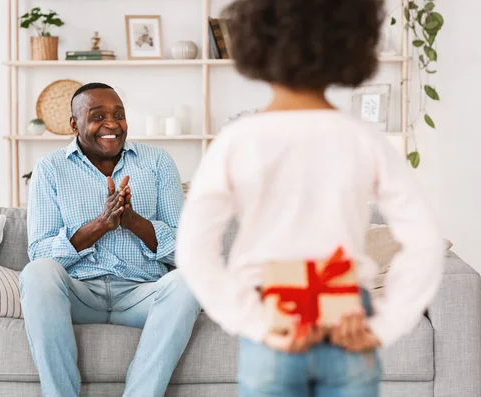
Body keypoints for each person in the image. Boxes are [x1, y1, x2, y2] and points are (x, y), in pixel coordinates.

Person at [175, 1, 444, 396]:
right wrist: (383, 325)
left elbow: (194, 251)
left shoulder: (237, 141)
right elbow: (426, 242)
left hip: (273, 319)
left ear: (254, 42)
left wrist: (254, 321)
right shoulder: (363, 139)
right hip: (348, 318)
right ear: (350, 42)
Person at [20, 82, 200, 397]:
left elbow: (184, 249)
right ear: (74, 124)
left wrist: (132, 221)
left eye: (119, 114)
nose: (112, 124)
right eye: (98, 115)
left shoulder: (156, 162)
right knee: (37, 273)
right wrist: (102, 224)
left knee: (189, 281)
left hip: (140, 295)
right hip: (80, 294)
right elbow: (41, 251)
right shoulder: (50, 169)